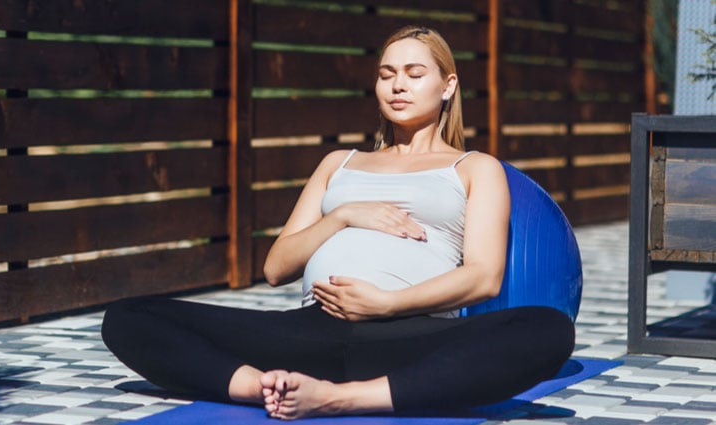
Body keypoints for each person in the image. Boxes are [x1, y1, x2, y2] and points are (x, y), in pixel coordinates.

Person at [101, 26, 575, 420]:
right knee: (128, 318)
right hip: (309, 331)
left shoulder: (475, 168)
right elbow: (275, 267)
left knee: (548, 330)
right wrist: (345, 215)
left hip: (411, 336)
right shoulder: (339, 164)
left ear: (447, 85)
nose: (398, 86)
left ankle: (337, 397)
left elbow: (484, 277)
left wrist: (386, 305)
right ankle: (260, 387)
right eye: (387, 74)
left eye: (414, 73)